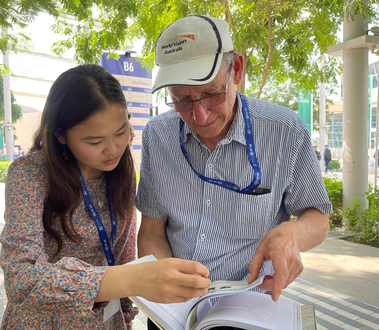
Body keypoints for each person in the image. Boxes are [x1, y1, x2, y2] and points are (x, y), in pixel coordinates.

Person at [136, 15, 331, 329]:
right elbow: (152, 232)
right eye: (181, 100)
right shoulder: (157, 136)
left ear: (236, 69)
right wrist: (164, 285)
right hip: (173, 310)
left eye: (211, 93)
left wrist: (291, 235)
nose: (199, 115)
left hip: (249, 307)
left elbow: (318, 217)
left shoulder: (284, 130)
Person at [0, 64, 210, 330]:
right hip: (44, 321)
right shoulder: (30, 174)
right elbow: (21, 277)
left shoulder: (119, 172)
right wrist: (128, 280)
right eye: (94, 142)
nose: (113, 149)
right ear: (60, 135)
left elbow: (121, 253)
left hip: (106, 322)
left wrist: (126, 314)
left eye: (121, 132)